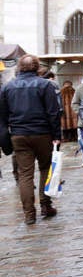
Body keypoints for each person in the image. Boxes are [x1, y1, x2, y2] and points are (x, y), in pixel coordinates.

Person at [0, 54, 62, 224]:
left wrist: (5, 139)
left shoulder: (7, 87)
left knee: (25, 174)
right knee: (45, 169)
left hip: (19, 135)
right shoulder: (45, 85)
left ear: (19, 67)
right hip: (42, 134)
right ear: (36, 67)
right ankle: (45, 205)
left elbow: (2, 117)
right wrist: (57, 136)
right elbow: (53, 113)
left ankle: (29, 214)